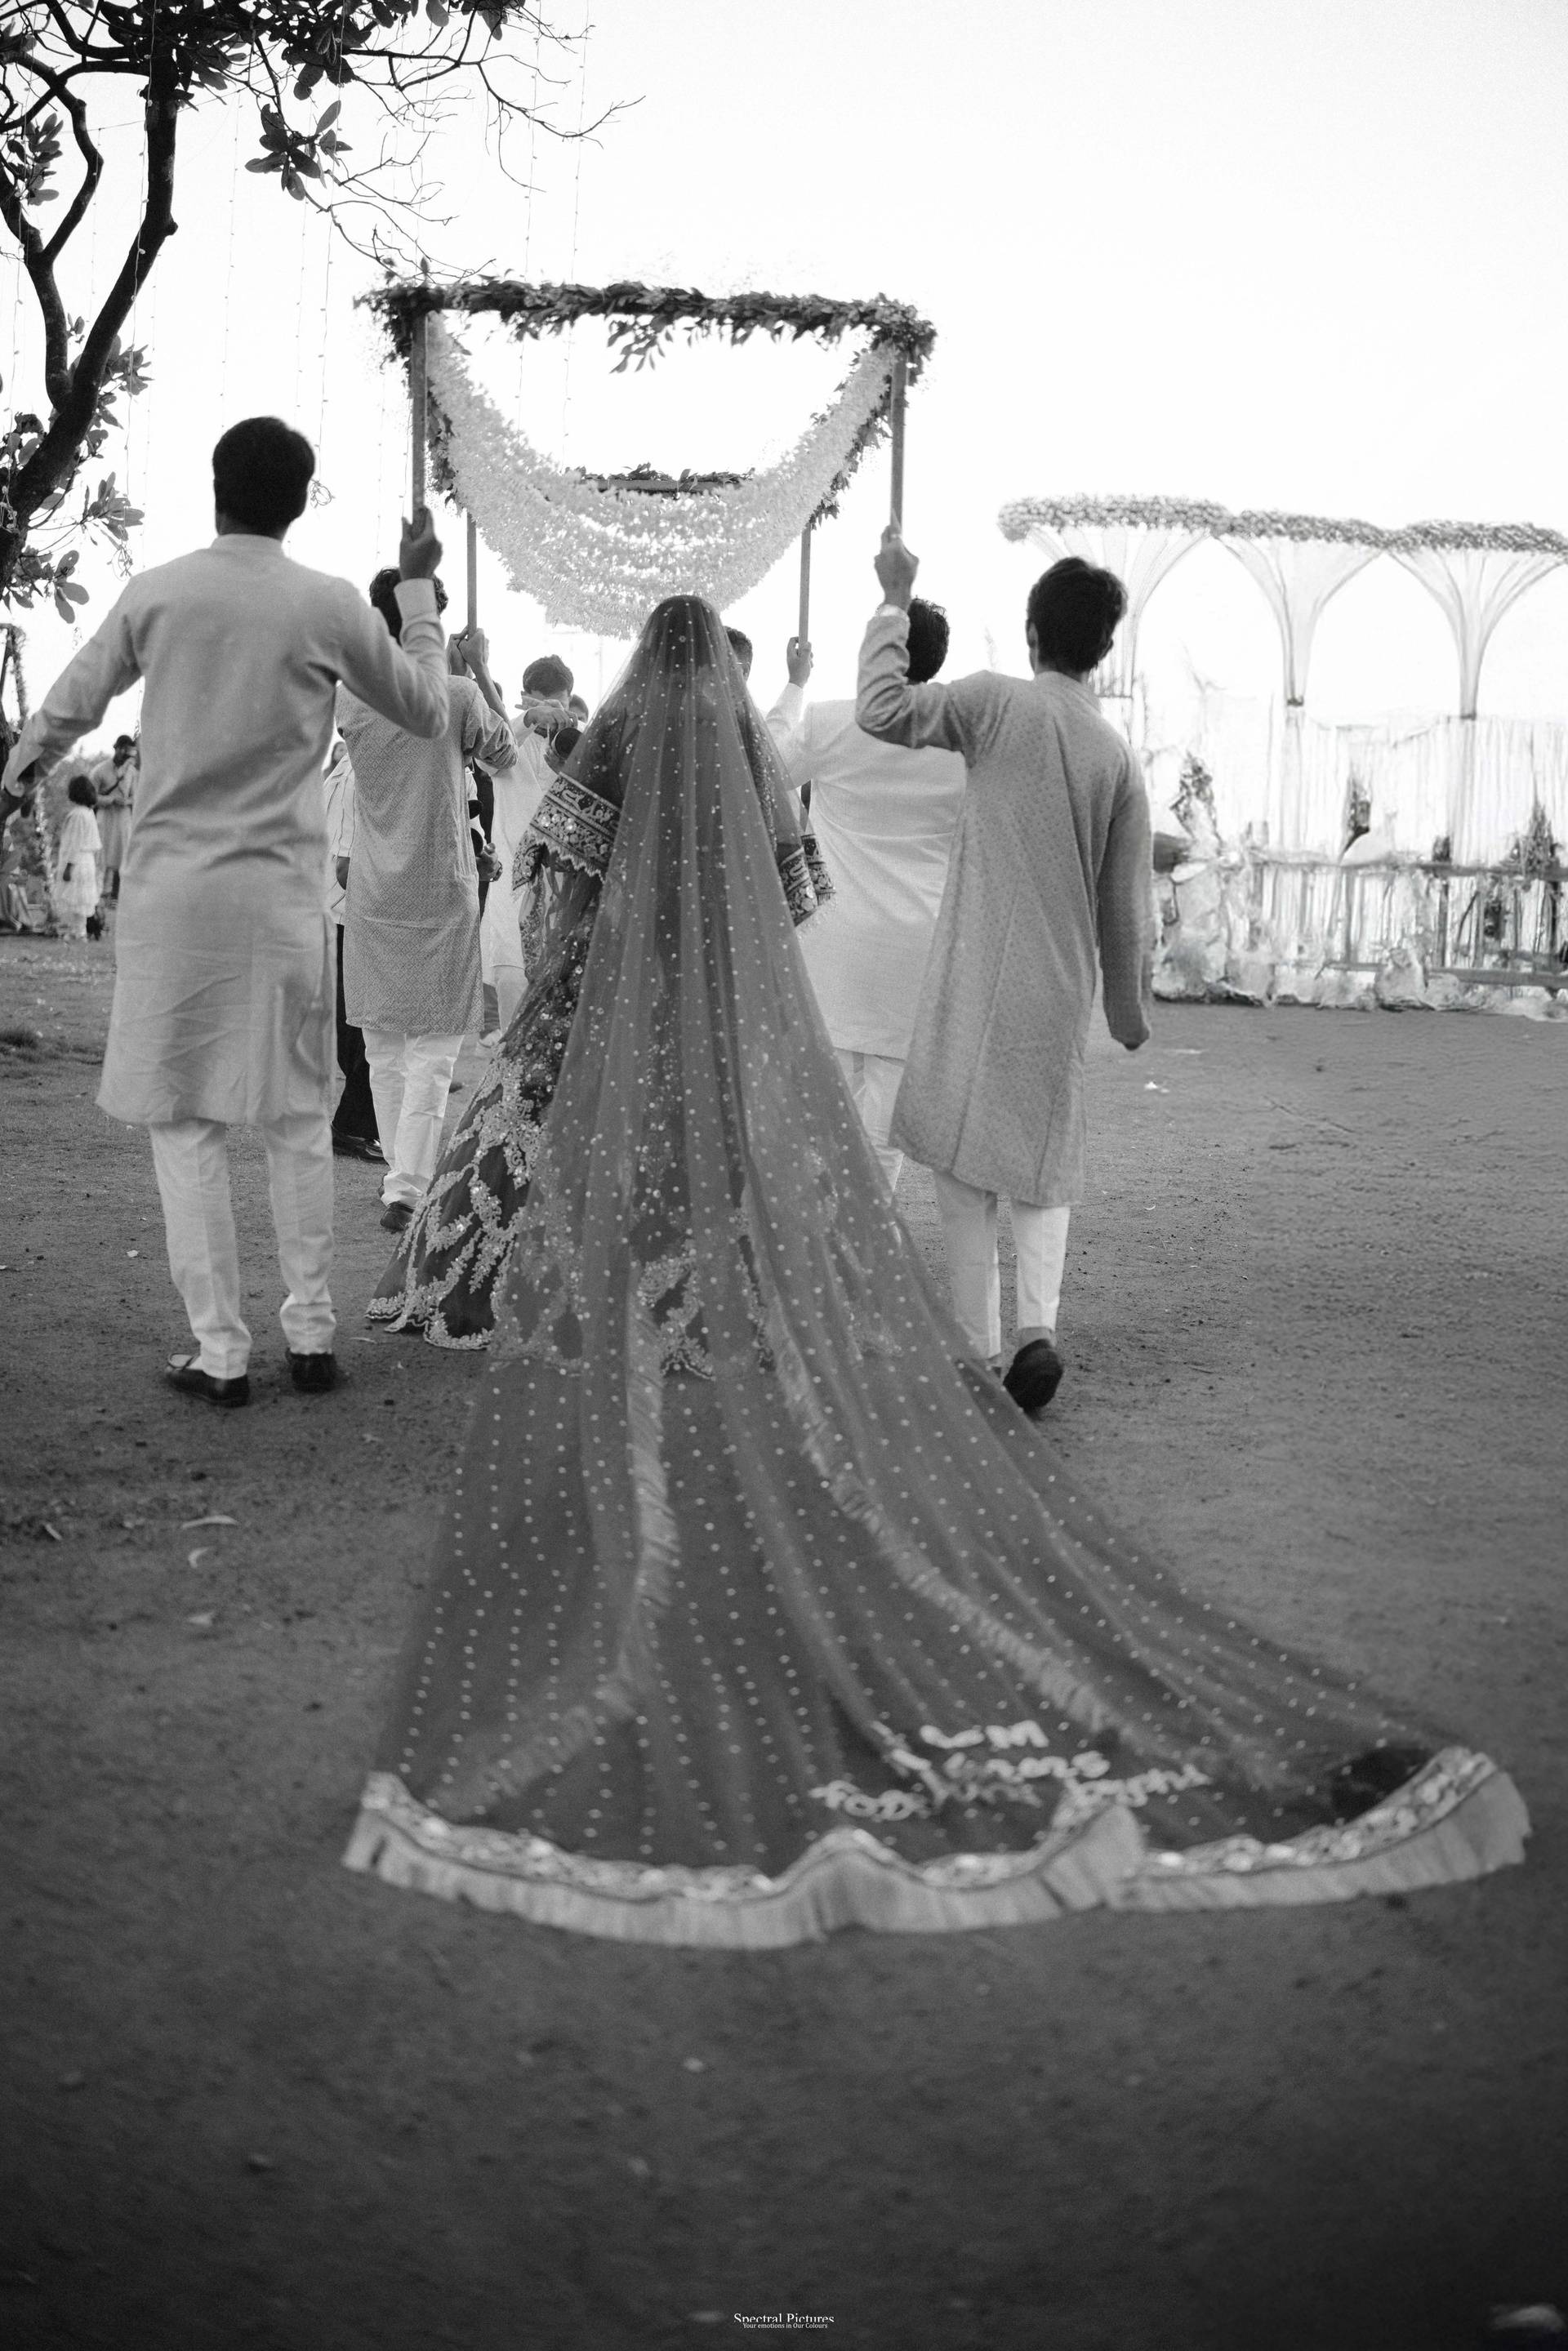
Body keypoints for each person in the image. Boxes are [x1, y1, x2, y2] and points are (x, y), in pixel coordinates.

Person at [344, 592, 1527, 1947]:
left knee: (715, 1184)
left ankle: (699, 1345)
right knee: (887, 1171)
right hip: (797, 1001)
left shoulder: (649, 737)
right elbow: (794, 886)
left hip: (638, 1011)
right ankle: (889, 1336)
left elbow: (557, 879)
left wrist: (583, 976)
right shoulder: (792, 742)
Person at [0, 416, 449, 1407]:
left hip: (174, 902)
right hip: (282, 903)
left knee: (185, 1123)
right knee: (296, 1117)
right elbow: (427, 707)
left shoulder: (160, 591)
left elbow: (70, 703)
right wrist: (418, 590)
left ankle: (221, 1353)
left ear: (216, 487)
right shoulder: (329, 602)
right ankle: (313, 1336)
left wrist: (16, 775)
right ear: (299, 501)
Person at [368, 600, 826, 1349]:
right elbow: (788, 877)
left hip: (613, 946)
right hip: (713, 955)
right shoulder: (740, 731)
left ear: (650, 651)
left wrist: (572, 933)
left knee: (544, 1092)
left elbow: (564, 849)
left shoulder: (625, 720)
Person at [857, 537, 1153, 1416]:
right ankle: (1038, 1330)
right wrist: (1129, 1011)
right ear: (1103, 648)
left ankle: (979, 1349)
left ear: (1031, 632)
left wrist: (894, 600)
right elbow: (1126, 905)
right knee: (1041, 1160)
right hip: (1057, 986)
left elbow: (882, 708)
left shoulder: (991, 702)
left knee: (960, 1162)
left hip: (974, 966)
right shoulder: (1116, 756)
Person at [767, 599, 965, 1193]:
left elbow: (764, 769)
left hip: (834, 938)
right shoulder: (963, 741)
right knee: (884, 1125)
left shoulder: (832, 722)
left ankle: (827, 1227)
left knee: (822, 1105)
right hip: (921, 942)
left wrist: (795, 686)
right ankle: (869, 1228)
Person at [338, 576, 517, 1235]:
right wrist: (478, 668)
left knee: (385, 1051)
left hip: (374, 890)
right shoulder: (457, 694)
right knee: (431, 1055)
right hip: (439, 886)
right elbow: (505, 753)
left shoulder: (352, 695)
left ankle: (401, 1179)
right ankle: (408, 1186)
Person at [481, 652, 572, 1031]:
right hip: (511, 894)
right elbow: (486, 759)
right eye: (543, 704)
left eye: (559, 706)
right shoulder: (508, 740)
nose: (552, 715)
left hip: (565, 893)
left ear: (570, 700)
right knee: (512, 1001)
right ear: (524, 698)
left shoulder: (581, 743)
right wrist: (529, 719)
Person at [323, 737, 381, 1164]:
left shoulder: (356, 767)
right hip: (353, 912)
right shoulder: (356, 773)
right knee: (363, 1026)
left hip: (349, 912)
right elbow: (346, 867)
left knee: (357, 1024)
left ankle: (356, 1124)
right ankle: (352, 1126)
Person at [89, 734, 136, 900]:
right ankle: (99, 893)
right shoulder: (100, 770)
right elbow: (91, 797)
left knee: (122, 856)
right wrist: (110, 800)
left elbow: (136, 796)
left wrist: (126, 801)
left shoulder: (132, 772)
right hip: (105, 817)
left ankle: (116, 895)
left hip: (123, 818)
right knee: (102, 855)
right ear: (116, 749)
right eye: (122, 751)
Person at [55, 773, 101, 938]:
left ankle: (77, 931)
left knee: (75, 897)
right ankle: (79, 930)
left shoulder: (78, 815)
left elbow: (74, 843)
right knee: (81, 898)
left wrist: (68, 867)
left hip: (77, 861)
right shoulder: (88, 813)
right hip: (87, 860)